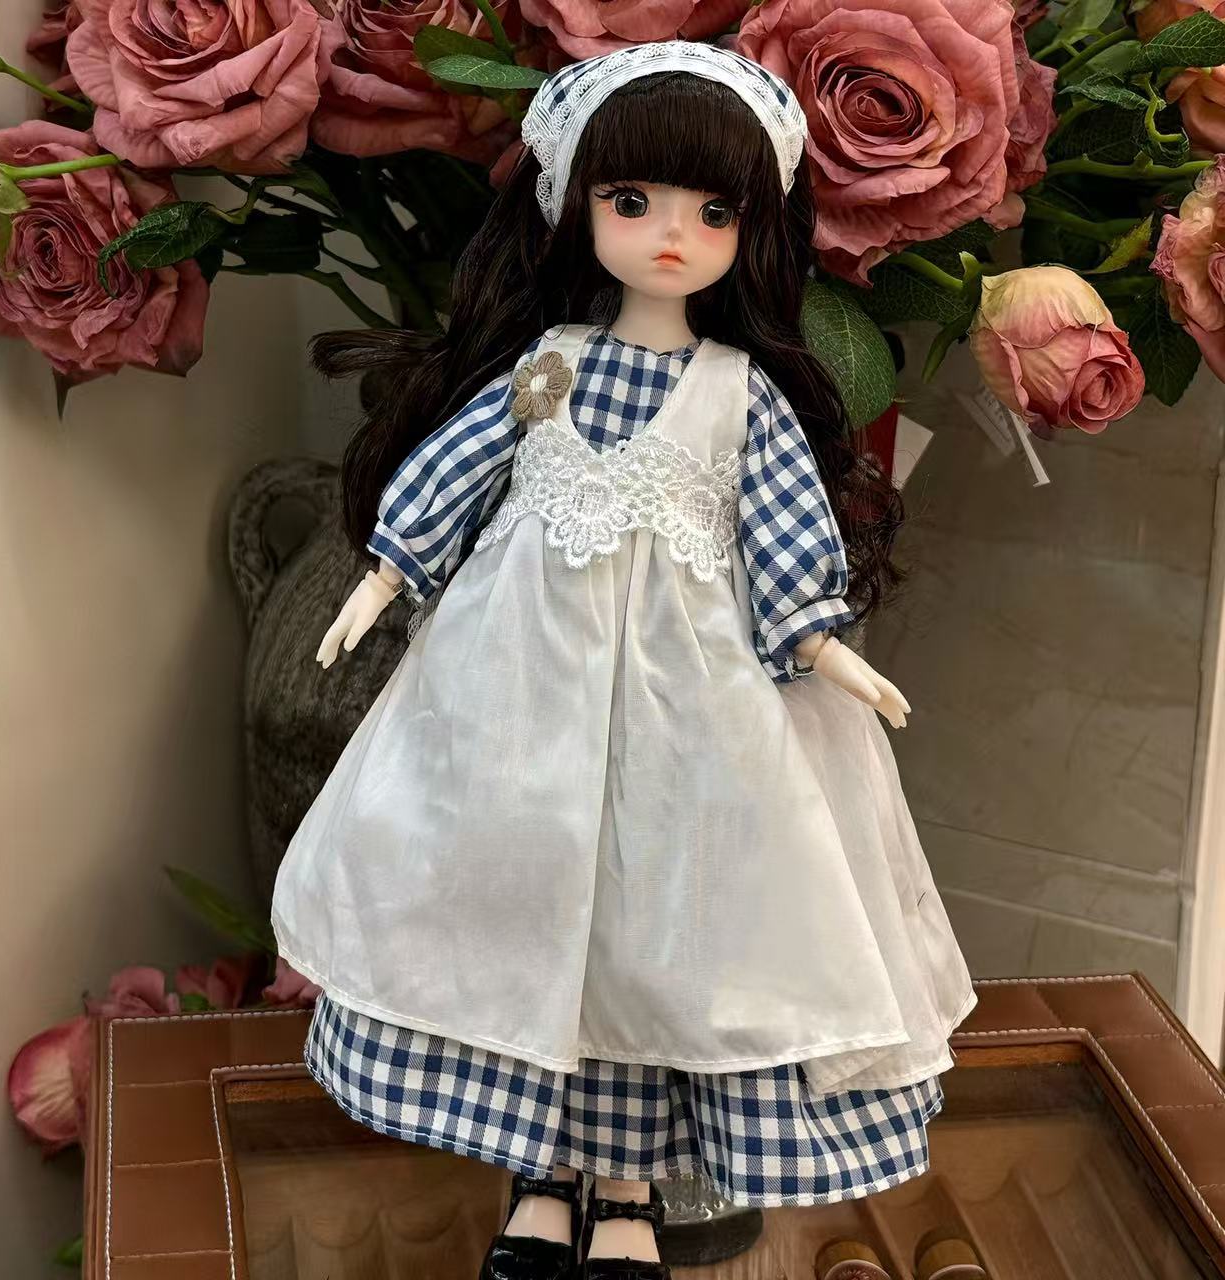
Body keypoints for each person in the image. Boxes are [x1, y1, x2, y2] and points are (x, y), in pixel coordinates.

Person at [271, 40, 977, 1280]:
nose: (668, 237)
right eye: (632, 200)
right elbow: (456, 466)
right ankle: (536, 1182)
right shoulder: (549, 361)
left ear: (749, 229)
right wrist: (383, 576)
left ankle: (626, 1195)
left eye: (711, 212)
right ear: (577, 205)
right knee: (518, 912)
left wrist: (823, 645)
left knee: (655, 937)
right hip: (515, 696)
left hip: (685, 713)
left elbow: (782, 533)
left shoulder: (740, 391)